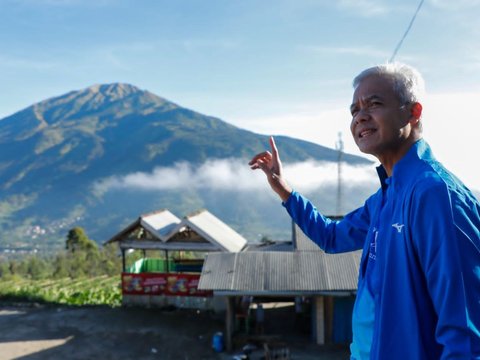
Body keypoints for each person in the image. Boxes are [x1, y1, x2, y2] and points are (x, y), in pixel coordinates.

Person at [249, 63, 480, 359]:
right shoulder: (386, 197)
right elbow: (331, 237)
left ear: (413, 112)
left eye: (374, 104)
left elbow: (467, 334)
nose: (360, 117)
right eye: (354, 110)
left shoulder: (435, 196)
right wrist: (282, 188)